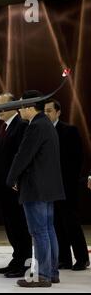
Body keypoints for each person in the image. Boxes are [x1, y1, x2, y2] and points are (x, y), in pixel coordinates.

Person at [7, 90, 65, 287]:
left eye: (22, 105)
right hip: (48, 187)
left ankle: (42, 276)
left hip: (35, 187)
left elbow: (23, 155)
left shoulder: (35, 126)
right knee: (48, 230)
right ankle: (52, 272)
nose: (19, 110)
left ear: (30, 107)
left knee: (39, 232)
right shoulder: (47, 124)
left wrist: (12, 178)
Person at [44, 100, 90, 270]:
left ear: (58, 112)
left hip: (67, 186)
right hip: (49, 187)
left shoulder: (69, 130)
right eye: (44, 111)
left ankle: (82, 258)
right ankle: (64, 259)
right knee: (56, 223)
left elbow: (78, 159)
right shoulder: (43, 132)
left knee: (71, 223)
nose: (46, 114)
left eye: (49, 111)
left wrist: (69, 182)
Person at [0, 93, 32, 278]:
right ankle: (17, 258)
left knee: (20, 225)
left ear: (14, 106)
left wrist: (16, 180)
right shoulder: (5, 127)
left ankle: (24, 261)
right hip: (5, 187)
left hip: (16, 187)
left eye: (1, 106)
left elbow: (22, 157)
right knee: (11, 225)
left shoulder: (22, 126)